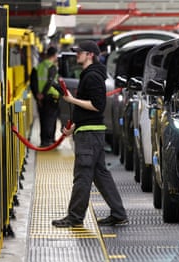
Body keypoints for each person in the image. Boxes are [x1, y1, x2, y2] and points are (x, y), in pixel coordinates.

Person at [52, 40, 128, 228]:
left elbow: (97, 106)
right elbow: (88, 110)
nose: (77, 54)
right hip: (89, 131)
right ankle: (118, 214)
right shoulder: (90, 75)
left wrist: (71, 99)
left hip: (89, 135)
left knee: (82, 175)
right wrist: (73, 127)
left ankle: (75, 217)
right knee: (100, 174)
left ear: (90, 55)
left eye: (80, 52)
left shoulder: (92, 76)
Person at [34, 46, 61, 147]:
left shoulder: (39, 66)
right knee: (51, 119)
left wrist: (38, 95)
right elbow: (50, 82)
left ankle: (44, 140)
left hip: (41, 97)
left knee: (43, 119)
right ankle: (49, 140)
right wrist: (43, 94)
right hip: (50, 96)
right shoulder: (52, 66)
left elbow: (34, 82)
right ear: (54, 55)